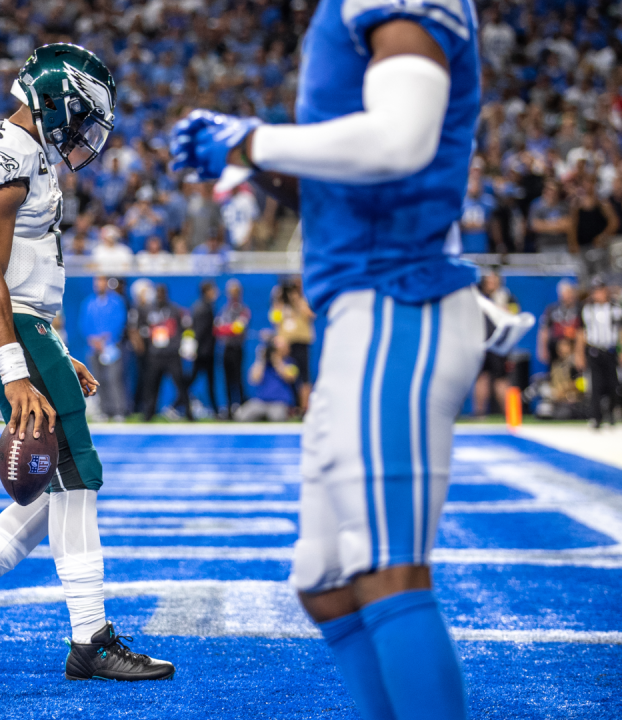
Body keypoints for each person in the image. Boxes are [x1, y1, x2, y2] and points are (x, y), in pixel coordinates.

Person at [173, 0, 497, 714]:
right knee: (326, 579)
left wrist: (257, 140)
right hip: (358, 307)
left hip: (394, 298)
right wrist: (251, 162)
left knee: (384, 567)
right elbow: (352, 177)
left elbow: (402, 141)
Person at [0, 44, 174, 682]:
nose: (86, 134)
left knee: (56, 483)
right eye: (83, 115)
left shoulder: (30, 158)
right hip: (4, 330)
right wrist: (18, 369)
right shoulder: (4, 147)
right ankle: (91, 639)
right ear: (57, 99)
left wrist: (57, 351)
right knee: (78, 475)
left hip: (21, 328)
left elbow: (19, 276)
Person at [133, 283, 192, 421]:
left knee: (180, 384)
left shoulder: (175, 310)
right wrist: (146, 343)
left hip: (171, 354)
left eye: (162, 293)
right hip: (155, 355)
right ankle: (149, 413)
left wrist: (181, 345)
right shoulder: (148, 310)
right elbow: (140, 328)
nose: (160, 297)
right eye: (158, 293)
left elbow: (185, 327)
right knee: (151, 385)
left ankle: (189, 413)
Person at [577, 282, 622, 428]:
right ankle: (596, 417)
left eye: (600, 291)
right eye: (595, 291)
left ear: (605, 291)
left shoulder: (616, 309)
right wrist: (579, 354)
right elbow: (581, 333)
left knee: (614, 384)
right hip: (594, 351)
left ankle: (611, 413)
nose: (598, 294)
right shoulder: (587, 309)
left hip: (611, 350)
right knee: (595, 385)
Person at [78, 276, 129, 421]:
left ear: (106, 283)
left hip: (111, 346)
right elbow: (83, 323)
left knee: (114, 378)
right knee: (97, 379)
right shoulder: (89, 303)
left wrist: (106, 339)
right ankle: (104, 410)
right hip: (93, 347)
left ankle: (119, 410)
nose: (98, 284)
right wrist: (93, 339)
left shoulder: (116, 302)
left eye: (101, 281)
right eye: (96, 281)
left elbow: (120, 321)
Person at [472, 271, 519, 417]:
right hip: (481, 344)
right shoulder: (478, 298)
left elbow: (514, 315)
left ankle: (510, 414)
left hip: (499, 345)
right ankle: (479, 413)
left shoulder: (506, 297)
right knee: (481, 378)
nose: (491, 283)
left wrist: (497, 306)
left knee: (501, 379)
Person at [271, 277, 315, 412]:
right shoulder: (281, 306)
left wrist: (297, 300)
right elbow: (275, 320)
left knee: (304, 377)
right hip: (287, 345)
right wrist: (277, 300)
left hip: (301, 342)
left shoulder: (303, 302)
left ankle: (304, 408)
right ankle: (292, 406)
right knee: (289, 376)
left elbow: (311, 315)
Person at [237, 334, 299, 421]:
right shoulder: (264, 364)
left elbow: (290, 378)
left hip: (279, 402)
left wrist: (276, 360)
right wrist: (260, 359)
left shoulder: (290, 363)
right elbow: (254, 379)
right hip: (261, 402)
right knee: (241, 415)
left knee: (277, 417)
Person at [215, 278, 250, 417]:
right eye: (230, 292)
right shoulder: (225, 310)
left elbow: (238, 328)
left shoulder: (243, 309)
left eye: (235, 292)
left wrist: (226, 328)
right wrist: (228, 328)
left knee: (238, 379)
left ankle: (241, 407)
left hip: (237, 348)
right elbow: (217, 329)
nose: (232, 295)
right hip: (226, 348)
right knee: (227, 380)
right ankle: (229, 408)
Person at [187, 280, 221, 418]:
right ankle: (176, 404)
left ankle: (215, 409)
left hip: (206, 350)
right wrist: (196, 350)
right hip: (204, 352)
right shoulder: (203, 308)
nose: (216, 293)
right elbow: (199, 332)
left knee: (208, 381)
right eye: (213, 290)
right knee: (196, 379)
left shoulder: (206, 307)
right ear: (207, 292)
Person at [538, 280, 581, 366]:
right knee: (556, 374)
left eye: (570, 293)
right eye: (566, 293)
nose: (568, 296)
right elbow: (544, 331)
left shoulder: (579, 310)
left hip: (573, 350)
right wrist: (543, 349)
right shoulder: (552, 310)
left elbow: (581, 332)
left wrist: (579, 353)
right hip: (555, 351)